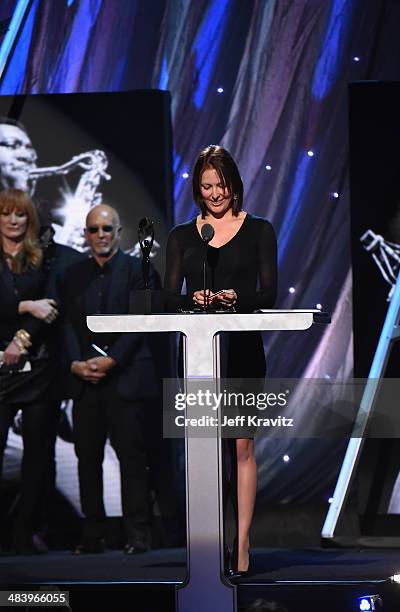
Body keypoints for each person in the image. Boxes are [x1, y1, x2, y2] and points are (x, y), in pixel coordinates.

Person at [164, 145, 277, 574]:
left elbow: (269, 291)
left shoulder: (259, 230)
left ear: (235, 184)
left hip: (243, 352)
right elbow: (168, 296)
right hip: (197, 355)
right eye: (206, 186)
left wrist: (234, 297)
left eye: (221, 184)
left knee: (241, 446)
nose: (214, 193)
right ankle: (209, 545)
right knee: (203, 450)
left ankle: (242, 544)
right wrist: (192, 298)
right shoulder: (181, 236)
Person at [59, 203, 160, 554]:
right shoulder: (71, 275)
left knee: (132, 459)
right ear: (85, 235)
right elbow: (67, 325)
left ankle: (138, 535)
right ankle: (93, 535)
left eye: (106, 229)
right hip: (85, 381)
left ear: (118, 232)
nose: (100, 235)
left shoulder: (138, 270)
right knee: (87, 459)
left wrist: (112, 359)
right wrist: (76, 363)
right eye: (93, 230)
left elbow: (142, 321)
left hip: (125, 379)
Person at [0, 188, 59, 553]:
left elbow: (51, 307)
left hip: (36, 367)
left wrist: (21, 339)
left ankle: (27, 530)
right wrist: (26, 305)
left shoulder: (42, 257)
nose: (13, 220)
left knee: (38, 454)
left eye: (20, 215)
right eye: (6, 214)